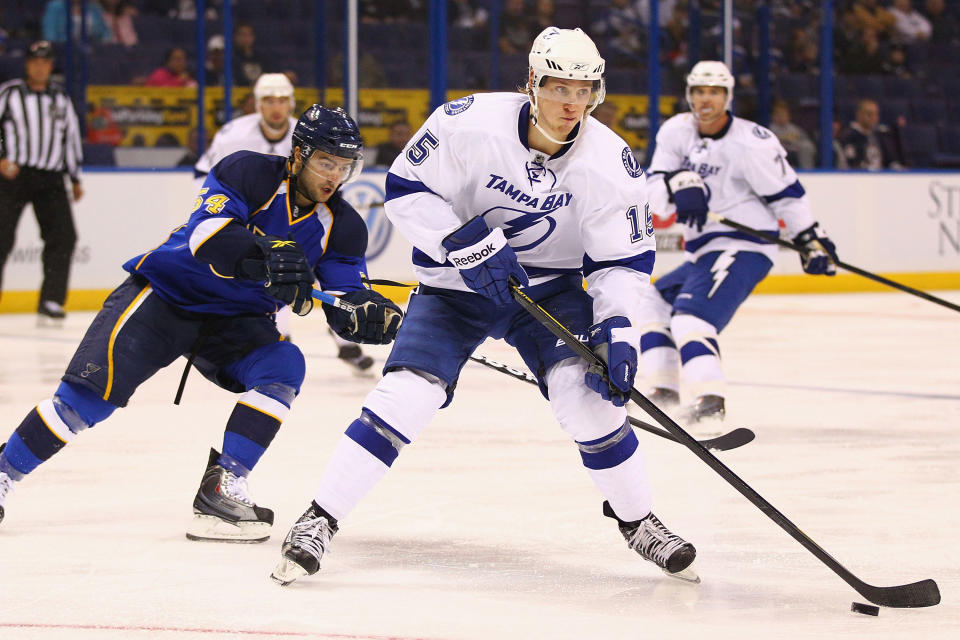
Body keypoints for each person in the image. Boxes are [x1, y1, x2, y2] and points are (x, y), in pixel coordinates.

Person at [270, 26, 697, 587]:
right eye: (559, 87)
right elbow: (405, 190)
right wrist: (468, 244)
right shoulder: (466, 122)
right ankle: (318, 519)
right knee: (407, 395)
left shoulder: (610, 162)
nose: (571, 104)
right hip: (453, 285)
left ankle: (638, 520)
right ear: (532, 83)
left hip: (549, 291)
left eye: (584, 90)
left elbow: (623, 262)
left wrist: (617, 327)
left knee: (586, 399)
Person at [0, 105, 403, 540]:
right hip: (167, 297)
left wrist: (366, 313)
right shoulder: (247, 171)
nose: (335, 176)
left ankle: (222, 484)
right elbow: (206, 235)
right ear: (299, 153)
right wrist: (266, 251)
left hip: (236, 321)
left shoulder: (343, 226)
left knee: (283, 366)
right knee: (84, 402)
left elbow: (344, 294)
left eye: (345, 166)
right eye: (326, 162)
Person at [637, 61, 839, 427]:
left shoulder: (752, 143)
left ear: (727, 97)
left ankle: (710, 400)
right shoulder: (675, 132)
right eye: (699, 91)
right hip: (703, 251)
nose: (705, 99)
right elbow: (650, 194)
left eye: (714, 92)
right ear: (689, 95)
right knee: (652, 302)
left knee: (691, 317)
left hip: (744, 246)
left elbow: (787, 196)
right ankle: (664, 393)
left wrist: (810, 239)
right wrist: (678, 184)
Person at [195, 74, 378, 373]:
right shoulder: (232, 135)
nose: (276, 107)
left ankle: (345, 343)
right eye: (268, 100)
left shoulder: (312, 131)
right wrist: (214, 209)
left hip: (302, 215)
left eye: (282, 100)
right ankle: (278, 337)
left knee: (316, 269)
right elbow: (203, 173)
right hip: (246, 214)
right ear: (257, 104)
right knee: (274, 270)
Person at [0, 40, 84, 323]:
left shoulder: (60, 98)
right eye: (35, 61)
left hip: (50, 176)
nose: (39, 66)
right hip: (14, 175)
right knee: (1, 236)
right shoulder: (9, 93)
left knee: (63, 237)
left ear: (50, 66)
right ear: (27, 64)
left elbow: (70, 138)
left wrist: (74, 177)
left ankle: (51, 300)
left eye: (45, 61)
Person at [838, 98, 905, 170]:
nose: (873, 118)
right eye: (869, 114)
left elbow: (890, 161)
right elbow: (851, 164)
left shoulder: (880, 135)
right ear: (859, 114)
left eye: (876, 114)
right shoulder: (849, 136)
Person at [769, 99, 816, 169]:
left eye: (783, 114)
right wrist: (784, 137)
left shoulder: (793, 128)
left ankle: (808, 172)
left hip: (796, 149)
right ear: (773, 116)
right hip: (780, 152)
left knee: (807, 146)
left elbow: (804, 139)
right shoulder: (769, 130)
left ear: (788, 116)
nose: (781, 117)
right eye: (778, 115)